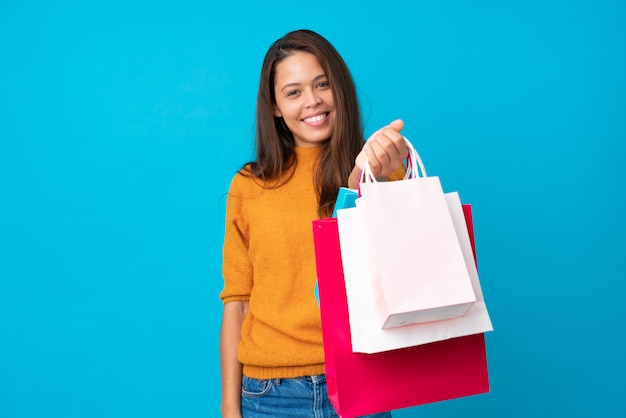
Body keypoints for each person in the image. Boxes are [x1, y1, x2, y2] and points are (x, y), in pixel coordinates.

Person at [219, 29, 407, 418]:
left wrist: (387, 177)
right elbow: (237, 303)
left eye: (322, 84)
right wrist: (228, 406)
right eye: (293, 92)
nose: (312, 101)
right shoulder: (249, 186)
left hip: (361, 379)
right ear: (274, 106)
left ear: (339, 88)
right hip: (270, 396)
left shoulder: (374, 171)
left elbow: (404, 267)